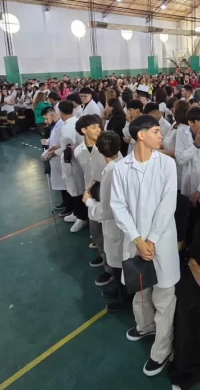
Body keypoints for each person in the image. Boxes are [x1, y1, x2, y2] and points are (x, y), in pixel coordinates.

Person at [110, 115, 179, 377]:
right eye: (156, 131)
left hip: (161, 241)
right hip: (136, 242)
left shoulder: (166, 164)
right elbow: (118, 206)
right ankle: (145, 326)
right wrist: (137, 240)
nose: (161, 136)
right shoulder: (121, 168)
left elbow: (168, 204)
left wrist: (150, 239)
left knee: (164, 297)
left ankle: (161, 351)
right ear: (141, 135)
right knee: (140, 291)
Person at [84, 131, 126, 313]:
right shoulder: (123, 162)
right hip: (123, 225)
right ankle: (121, 289)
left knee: (118, 263)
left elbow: (106, 211)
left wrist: (88, 201)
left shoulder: (111, 172)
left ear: (100, 152)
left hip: (115, 226)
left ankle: (123, 298)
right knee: (121, 262)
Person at [75, 114, 114, 283]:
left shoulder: (107, 145)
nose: (98, 129)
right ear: (83, 130)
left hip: (107, 190)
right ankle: (104, 256)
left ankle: (111, 269)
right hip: (90, 192)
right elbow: (85, 173)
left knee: (109, 232)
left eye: (99, 126)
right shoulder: (79, 151)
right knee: (96, 231)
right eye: (94, 127)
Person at [58, 100, 87, 232]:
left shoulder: (68, 126)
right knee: (74, 189)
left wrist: (54, 152)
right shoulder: (74, 122)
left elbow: (67, 147)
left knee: (77, 190)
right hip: (73, 160)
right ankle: (76, 213)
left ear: (60, 112)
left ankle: (82, 217)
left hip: (73, 161)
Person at [42, 106, 68, 213]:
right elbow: (54, 139)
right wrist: (47, 141)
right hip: (55, 158)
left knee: (65, 185)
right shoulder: (55, 125)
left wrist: (51, 152)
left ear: (52, 116)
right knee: (61, 185)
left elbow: (60, 144)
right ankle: (65, 203)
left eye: (46, 118)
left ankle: (69, 207)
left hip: (60, 158)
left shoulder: (61, 126)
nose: (45, 121)